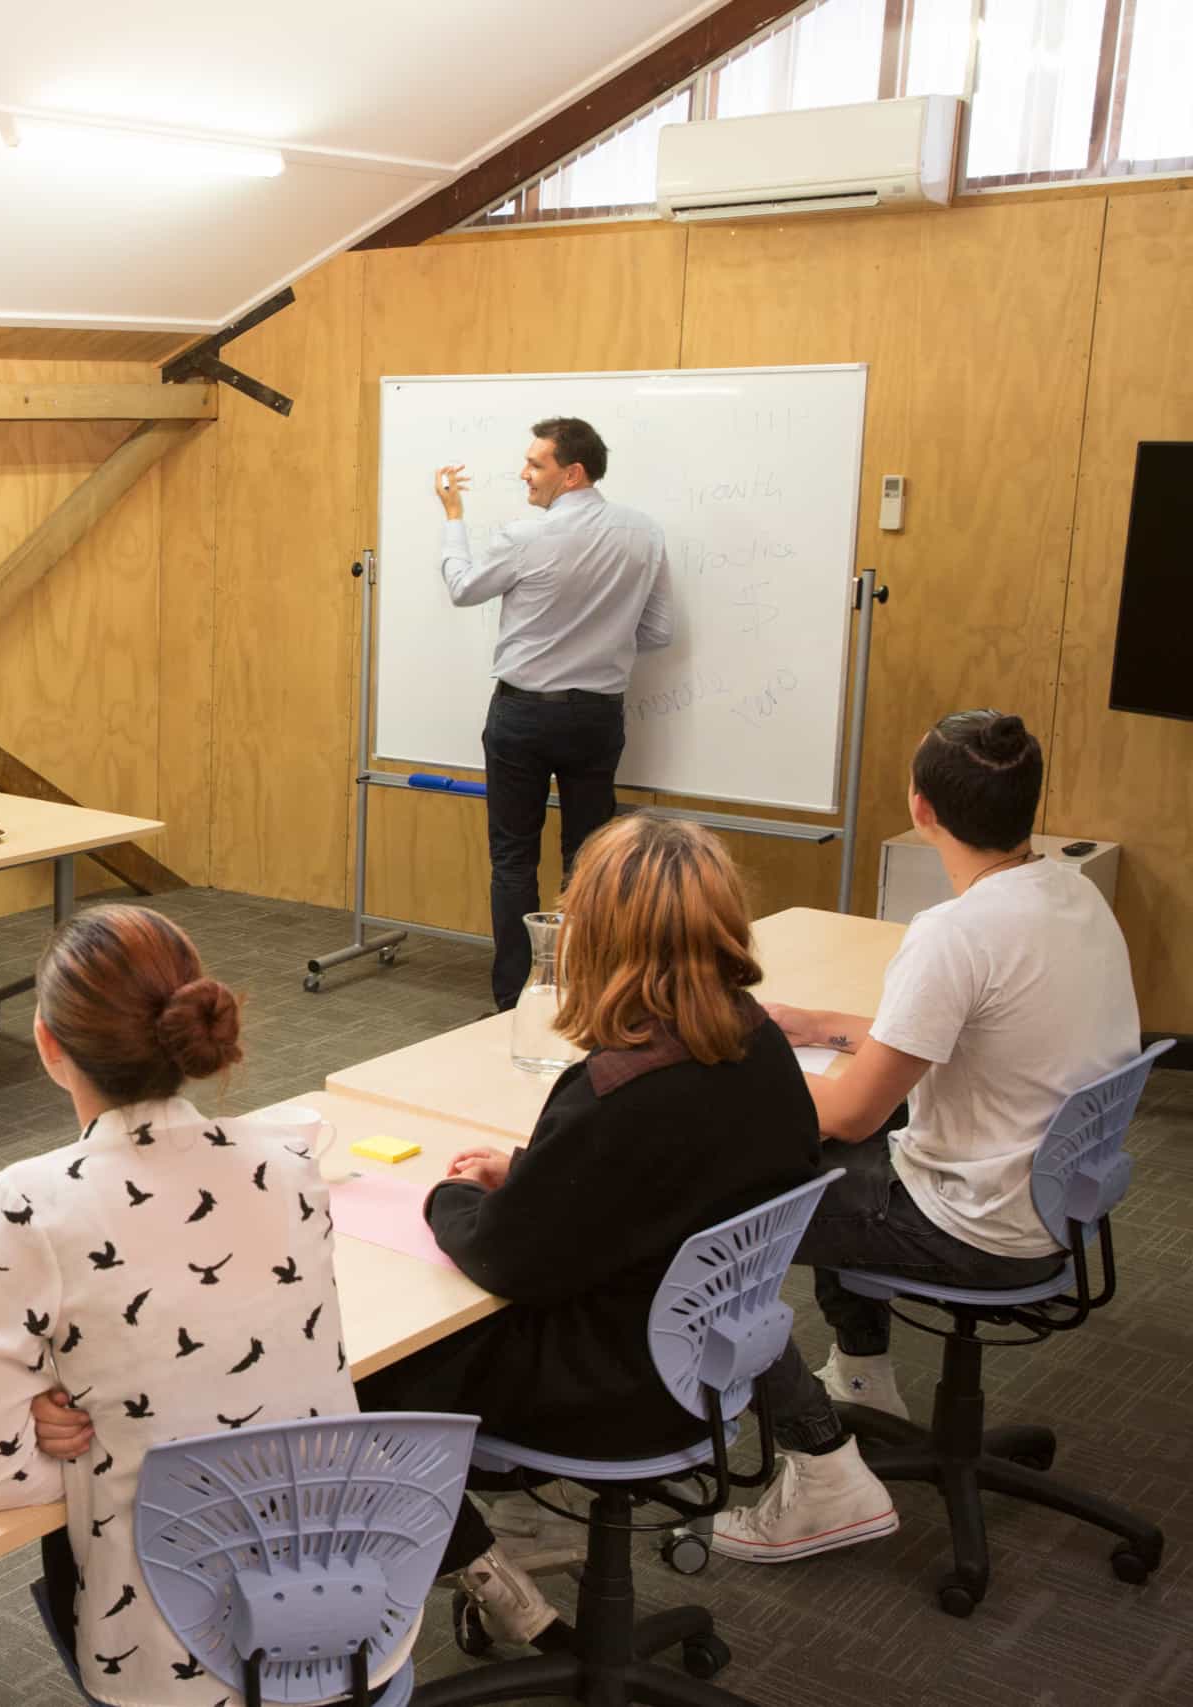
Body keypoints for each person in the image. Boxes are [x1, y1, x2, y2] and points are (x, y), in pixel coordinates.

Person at [349, 815, 820, 1648]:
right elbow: (662, 1181)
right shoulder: (762, 1044)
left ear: (597, 938)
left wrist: (446, 1197)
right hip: (706, 1361)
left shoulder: (616, 1091)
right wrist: (532, 1169)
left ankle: (491, 1574)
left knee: (358, 1372)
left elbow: (505, 1257)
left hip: (613, 1385)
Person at [713, 710, 1139, 1564]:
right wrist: (818, 1026)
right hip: (1057, 1200)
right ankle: (862, 1374)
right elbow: (945, 1033)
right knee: (839, 1151)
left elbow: (851, 1114)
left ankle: (822, 1469)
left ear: (921, 807)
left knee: (716, 1211)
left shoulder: (954, 931)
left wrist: (727, 1068)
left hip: (975, 1226)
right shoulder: (1074, 893)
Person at [0, 905, 357, 1705]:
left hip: (174, 1652)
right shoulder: (290, 1159)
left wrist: (72, 1423)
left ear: (46, 1042)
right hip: (339, 1607)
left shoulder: (31, 1199)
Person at [435, 418, 673, 1011]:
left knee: (514, 858)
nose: (524, 474)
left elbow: (462, 588)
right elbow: (658, 631)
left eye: (535, 464)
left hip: (523, 715)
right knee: (590, 860)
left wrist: (453, 517)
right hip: (597, 716)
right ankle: (587, 994)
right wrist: (599, 643)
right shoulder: (644, 533)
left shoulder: (525, 537)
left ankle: (516, 1002)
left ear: (572, 474)